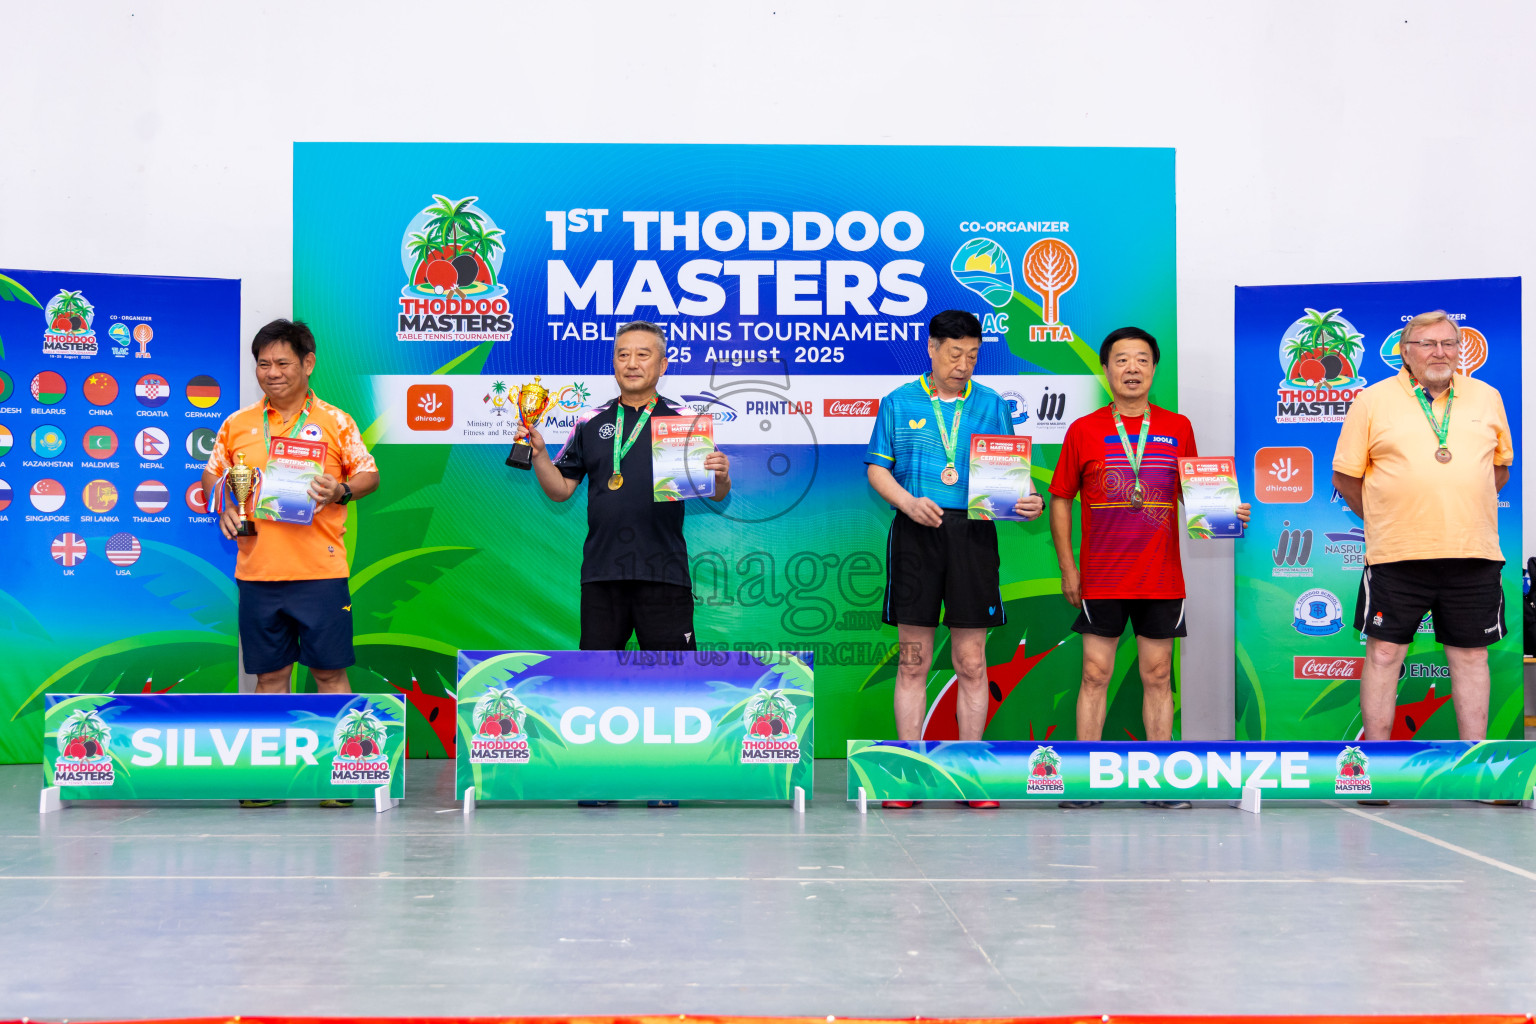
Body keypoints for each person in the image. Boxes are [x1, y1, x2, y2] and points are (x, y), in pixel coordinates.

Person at [516, 320, 731, 809]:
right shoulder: (591, 422)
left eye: (642, 354)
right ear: (613, 362)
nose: (631, 363)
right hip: (603, 572)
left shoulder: (684, 422)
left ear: (663, 364)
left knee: (672, 678)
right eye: (622, 354)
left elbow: (715, 493)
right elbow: (561, 490)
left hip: (663, 572)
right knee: (597, 677)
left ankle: (667, 779)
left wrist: (721, 475)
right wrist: (542, 456)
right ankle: (598, 779)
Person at [1049, 326, 1249, 809]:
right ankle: (1084, 780)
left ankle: (1161, 780)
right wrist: (1069, 569)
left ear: (1154, 369)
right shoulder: (1083, 430)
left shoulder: (1178, 427)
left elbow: (1193, 494)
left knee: (1158, 675)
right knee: (1094, 674)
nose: (1132, 368)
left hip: (1160, 576)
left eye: (1142, 359)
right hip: (1101, 576)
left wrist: (1225, 511)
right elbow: (1060, 499)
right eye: (1121, 360)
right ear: (1106, 369)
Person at [866, 309, 1045, 810]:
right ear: (931, 348)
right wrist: (908, 503)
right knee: (913, 661)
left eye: (972, 355)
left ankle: (970, 776)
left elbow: (1013, 477)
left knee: (971, 660)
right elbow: (877, 470)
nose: (963, 365)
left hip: (974, 534)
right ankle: (908, 774)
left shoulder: (991, 405)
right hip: (916, 532)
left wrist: (1029, 500)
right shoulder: (898, 402)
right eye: (953, 354)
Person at [202, 318, 379, 809]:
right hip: (258, 574)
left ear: (308, 363)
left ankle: (343, 775)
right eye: (263, 364)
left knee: (330, 674)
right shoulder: (237, 424)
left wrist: (341, 489)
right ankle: (266, 779)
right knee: (269, 678)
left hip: (320, 574)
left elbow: (369, 474)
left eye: (282, 363)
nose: (272, 373)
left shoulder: (337, 421)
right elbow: (212, 477)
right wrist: (226, 505)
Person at [1333, 309, 1513, 745]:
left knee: (1472, 658)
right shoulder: (1372, 400)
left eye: (1449, 343)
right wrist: (1387, 517)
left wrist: (1459, 503)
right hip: (1397, 554)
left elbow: (1499, 469)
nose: (1440, 352)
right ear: (1405, 352)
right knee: (1384, 654)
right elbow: (1345, 477)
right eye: (1427, 344)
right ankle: (1376, 763)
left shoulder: (1487, 397)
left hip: (1473, 553)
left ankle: (1473, 763)